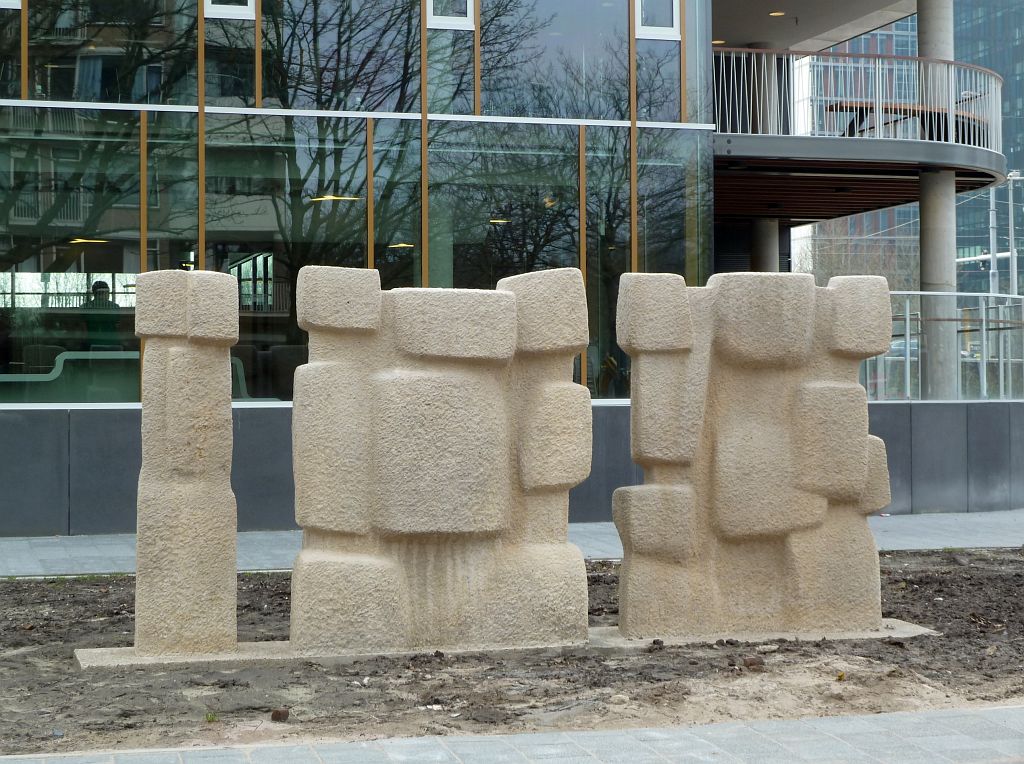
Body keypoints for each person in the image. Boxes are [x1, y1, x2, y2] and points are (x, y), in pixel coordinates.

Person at [81, 280, 121, 349]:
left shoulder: (85, 307)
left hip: (90, 343)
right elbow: (118, 327)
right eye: (107, 292)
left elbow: (83, 328)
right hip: (111, 343)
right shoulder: (115, 307)